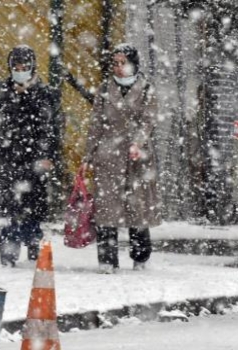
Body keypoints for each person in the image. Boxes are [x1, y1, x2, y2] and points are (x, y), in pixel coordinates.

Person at [82, 43, 161, 274]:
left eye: (123, 63)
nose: (118, 67)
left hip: (138, 156)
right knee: (107, 210)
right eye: (115, 63)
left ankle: (141, 257)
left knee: (138, 209)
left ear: (134, 64)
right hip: (108, 155)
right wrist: (88, 155)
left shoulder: (146, 89)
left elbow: (148, 120)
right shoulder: (105, 90)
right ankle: (107, 260)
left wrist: (138, 142)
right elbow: (96, 125)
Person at [0, 45, 58, 267]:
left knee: (33, 208)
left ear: (32, 67)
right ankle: (8, 256)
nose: (20, 70)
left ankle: (34, 253)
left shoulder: (43, 92)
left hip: (34, 160)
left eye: (25, 67)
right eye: (16, 66)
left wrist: (48, 156)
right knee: (7, 209)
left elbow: (50, 127)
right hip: (5, 158)